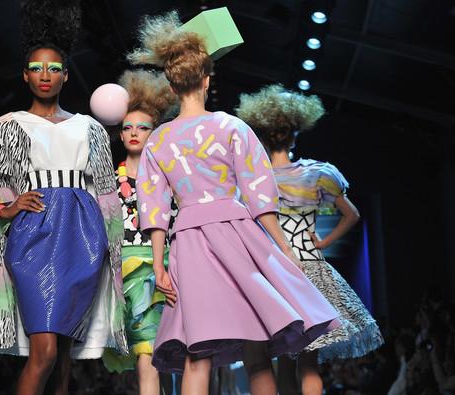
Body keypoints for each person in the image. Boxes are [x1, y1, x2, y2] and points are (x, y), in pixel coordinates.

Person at [129, 11, 341, 395]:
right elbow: (260, 195)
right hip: (238, 237)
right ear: (207, 80)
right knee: (257, 346)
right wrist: (284, 249)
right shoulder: (231, 127)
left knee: (198, 352)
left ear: (173, 86)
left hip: (189, 244)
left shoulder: (158, 141)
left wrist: (159, 263)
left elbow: (154, 205)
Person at [0, 1, 126, 393]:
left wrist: (115, 249)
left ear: (66, 76)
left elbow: (106, 192)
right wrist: (4, 207)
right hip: (34, 236)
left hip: (83, 238)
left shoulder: (88, 128)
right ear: (25, 76)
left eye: (53, 68)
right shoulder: (8, 126)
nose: (44, 75)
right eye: (36, 68)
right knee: (44, 351)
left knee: (62, 360)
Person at [236, 84, 384, 395]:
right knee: (308, 362)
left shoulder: (254, 179)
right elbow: (352, 214)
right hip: (311, 271)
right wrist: (323, 243)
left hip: (274, 275)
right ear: (295, 134)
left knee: (284, 362)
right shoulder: (317, 173)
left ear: (262, 135)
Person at [101, 69, 178, 395]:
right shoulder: (105, 183)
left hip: (163, 271)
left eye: (143, 127)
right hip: (122, 276)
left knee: (164, 357)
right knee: (147, 357)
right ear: (119, 135)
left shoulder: (168, 179)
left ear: (155, 133)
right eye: (127, 127)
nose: (134, 133)